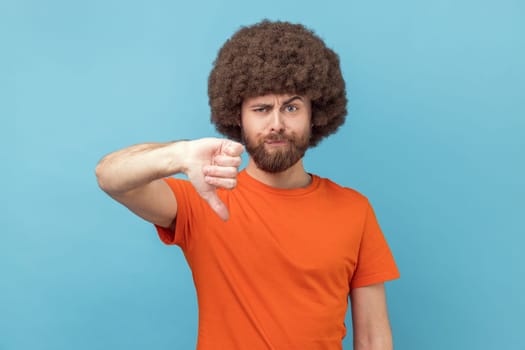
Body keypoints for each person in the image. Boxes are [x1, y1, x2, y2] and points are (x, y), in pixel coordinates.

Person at [96, 20, 400, 350]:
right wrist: (179, 155)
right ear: (238, 117)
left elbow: (372, 338)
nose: (277, 124)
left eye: (292, 107)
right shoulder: (205, 197)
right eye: (261, 109)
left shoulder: (354, 210)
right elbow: (110, 177)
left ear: (315, 114)